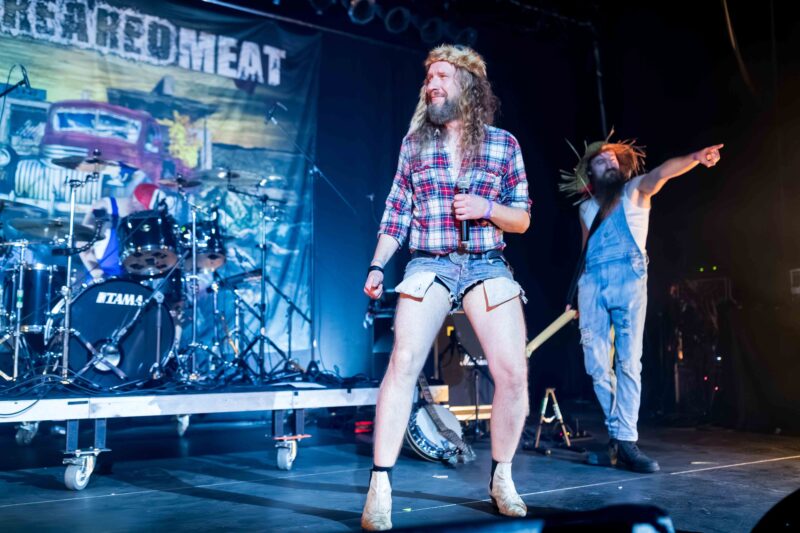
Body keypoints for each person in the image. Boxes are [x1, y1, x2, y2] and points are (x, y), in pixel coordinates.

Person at [361, 45, 532, 530]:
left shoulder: (503, 145)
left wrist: (486, 208)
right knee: (402, 363)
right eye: (428, 77)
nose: (431, 84)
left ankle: (502, 477)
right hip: (429, 261)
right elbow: (396, 214)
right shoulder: (414, 144)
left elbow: (521, 219)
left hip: (485, 265)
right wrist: (377, 266)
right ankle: (380, 486)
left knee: (513, 373)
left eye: (441, 76)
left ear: (468, 85)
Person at [560, 134, 723, 473]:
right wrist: (574, 295)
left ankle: (626, 440)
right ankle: (618, 437)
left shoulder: (635, 190)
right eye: (600, 161)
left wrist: (695, 157)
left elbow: (662, 172)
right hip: (592, 284)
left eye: (612, 159)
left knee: (628, 363)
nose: (608, 163)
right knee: (596, 366)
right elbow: (584, 252)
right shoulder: (585, 208)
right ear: (591, 172)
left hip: (628, 281)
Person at [79, 183, 171, 280]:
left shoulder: (141, 220)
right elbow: (81, 240)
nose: (144, 214)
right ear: (135, 200)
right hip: (102, 278)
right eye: (144, 209)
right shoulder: (105, 207)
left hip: (131, 279)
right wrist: (96, 272)